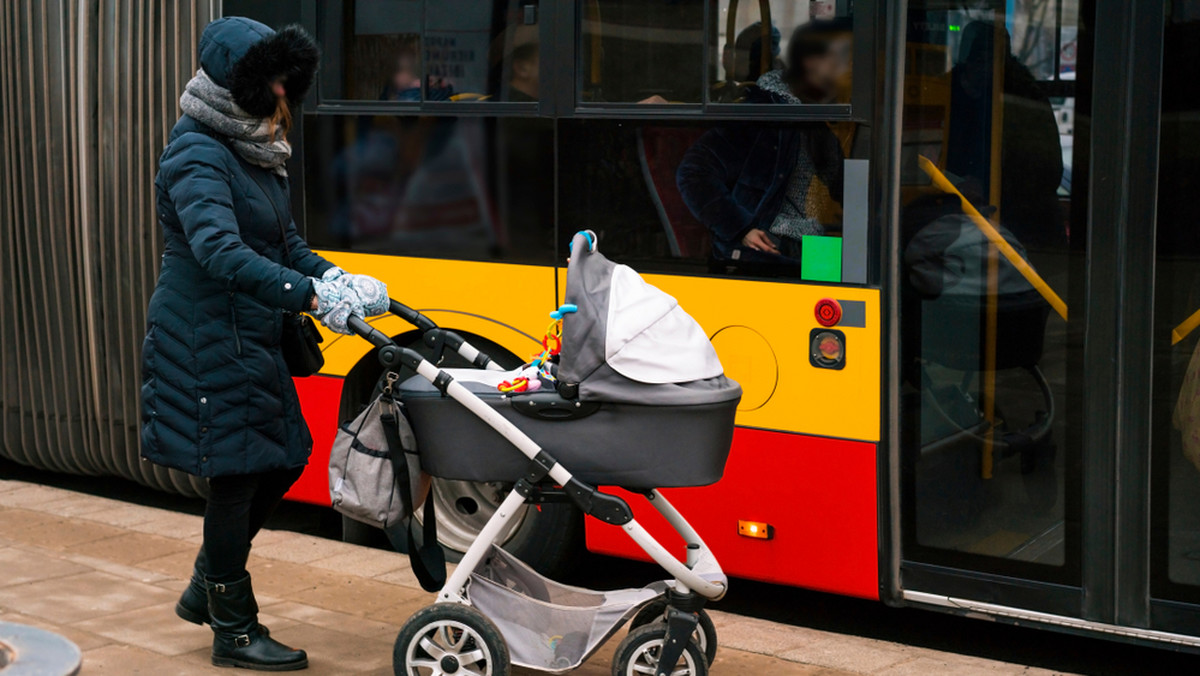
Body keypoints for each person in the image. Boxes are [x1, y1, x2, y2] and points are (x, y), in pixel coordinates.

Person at [141, 17, 388, 671]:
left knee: (281, 461)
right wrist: (310, 298)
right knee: (237, 474)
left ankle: (206, 585)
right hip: (203, 337)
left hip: (249, 334)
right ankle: (232, 625)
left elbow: (285, 245)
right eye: (273, 80)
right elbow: (220, 252)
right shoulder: (196, 153)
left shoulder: (254, 147)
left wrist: (336, 277)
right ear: (240, 85)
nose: (284, 94)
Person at [677, 20, 849, 268]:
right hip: (770, 246)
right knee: (841, 280)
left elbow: (842, 182)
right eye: (837, 65)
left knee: (854, 272)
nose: (843, 76)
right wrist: (741, 228)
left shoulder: (815, 120)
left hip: (810, 241)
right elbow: (693, 172)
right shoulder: (760, 115)